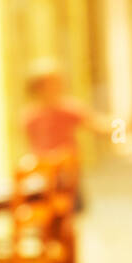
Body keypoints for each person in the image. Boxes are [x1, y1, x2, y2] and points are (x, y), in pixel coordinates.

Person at [21, 60, 108, 211]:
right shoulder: (29, 116)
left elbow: (98, 125)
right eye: (51, 83)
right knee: (45, 211)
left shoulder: (69, 109)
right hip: (43, 174)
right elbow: (31, 145)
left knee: (70, 210)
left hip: (67, 173)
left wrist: (121, 126)